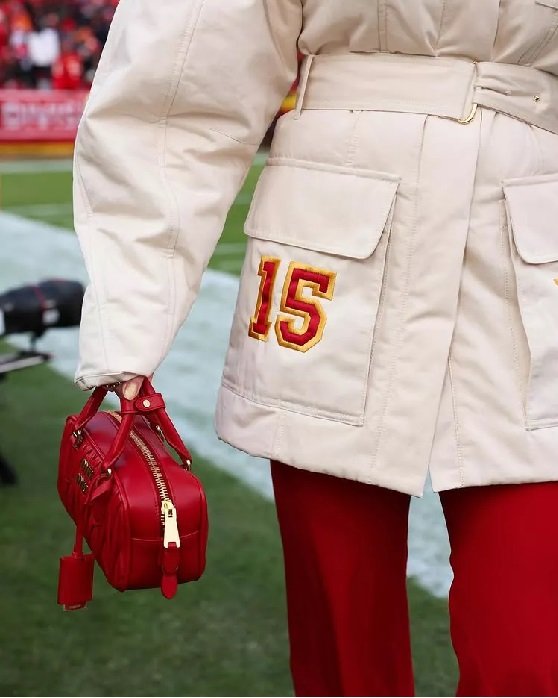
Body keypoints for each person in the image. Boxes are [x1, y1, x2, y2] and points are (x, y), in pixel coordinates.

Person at [72, 1, 558, 696]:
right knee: (343, 655)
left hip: (531, 242)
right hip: (332, 264)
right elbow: (180, 96)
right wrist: (127, 328)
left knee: (535, 656)